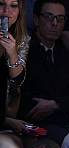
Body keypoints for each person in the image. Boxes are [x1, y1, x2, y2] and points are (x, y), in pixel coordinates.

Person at [18, 0, 69, 144]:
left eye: (60, 19)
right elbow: (25, 103)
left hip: (62, 123)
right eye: (49, 17)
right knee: (63, 138)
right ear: (36, 20)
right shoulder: (23, 52)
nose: (55, 23)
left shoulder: (67, 56)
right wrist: (62, 107)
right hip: (27, 125)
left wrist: (55, 104)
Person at [1, 0, 30, 134]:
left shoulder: (22, 38)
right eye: (1, 4)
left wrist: (12, 53)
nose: (6, 12)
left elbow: (18, 81)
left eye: (13, 6)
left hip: (6, 114)